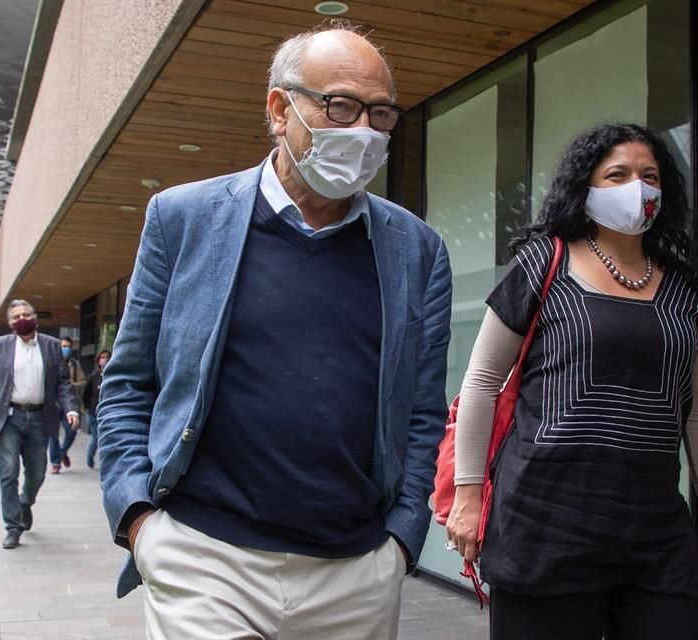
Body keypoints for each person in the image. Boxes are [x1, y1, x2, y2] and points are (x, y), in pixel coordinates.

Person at [98, 22, 452, 640]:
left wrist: (400, 541)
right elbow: (130, 381)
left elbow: (422, 410)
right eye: (340, 105)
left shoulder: (417, 249)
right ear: (278, 109)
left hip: (357, 573)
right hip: (204, 558)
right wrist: (138, 517)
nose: (363, 130)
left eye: (380, 113)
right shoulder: (182, 219)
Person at [445, 123, 698, 640]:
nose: (636, 188)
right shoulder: (544, 263)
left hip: (654, 536)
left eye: (650, 176)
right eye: (617, 174)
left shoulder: (684, 287)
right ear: (586, 186)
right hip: (543, 528)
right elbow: (483, 382)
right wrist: (468, 497)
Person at [0, 300, 80, 549]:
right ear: (9, 323)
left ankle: (24, 503)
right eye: (16, 316)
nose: (22, 318)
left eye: (26, 314)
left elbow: (62, 383)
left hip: (40, 418)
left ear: (35, 317)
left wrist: (70, 408)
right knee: (8, 473)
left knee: (37, 473)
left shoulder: (51, 346)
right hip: (8, 418)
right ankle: (13, 526)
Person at [48, 336, 86, 474]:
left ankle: (62, 452)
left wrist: (69, 385)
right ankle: (55, 463)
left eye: (68, 346)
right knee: (53, 435)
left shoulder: (74, 364)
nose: (66, 349)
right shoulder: (50, 362)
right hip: (52, 404)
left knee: (72, 430)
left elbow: (83, 381)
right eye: (63, 346)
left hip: (69, 404)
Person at [82, 349, 110, 469]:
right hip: (94, 413)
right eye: (102, 357)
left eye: (107, 357)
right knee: (97, 437)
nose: (105, 360)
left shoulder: (113, 376)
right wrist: (87, 407)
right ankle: (90, 456)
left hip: (109, 414)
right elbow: (86, 394)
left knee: (107, 438)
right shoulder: (94, 377)